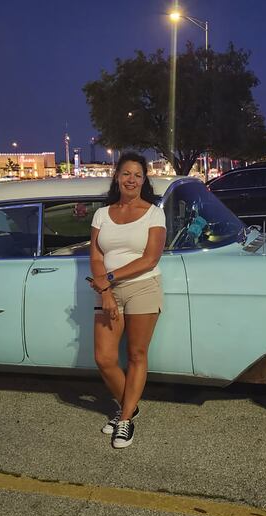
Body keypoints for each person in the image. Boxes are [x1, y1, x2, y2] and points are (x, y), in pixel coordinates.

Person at [89, 152, 167, 449]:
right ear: (117, 177)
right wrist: (106, 291)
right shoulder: (101, 214)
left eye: (137, 175)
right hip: (108, 292)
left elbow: (150, 259)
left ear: (144, 180)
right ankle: (129, 408)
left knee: (136, 354)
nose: (131, 179)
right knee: (105, 358)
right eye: (126, 174)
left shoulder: (153, 213)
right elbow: (96, 256)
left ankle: (124, 420)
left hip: (143, 287)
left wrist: (109, 279)